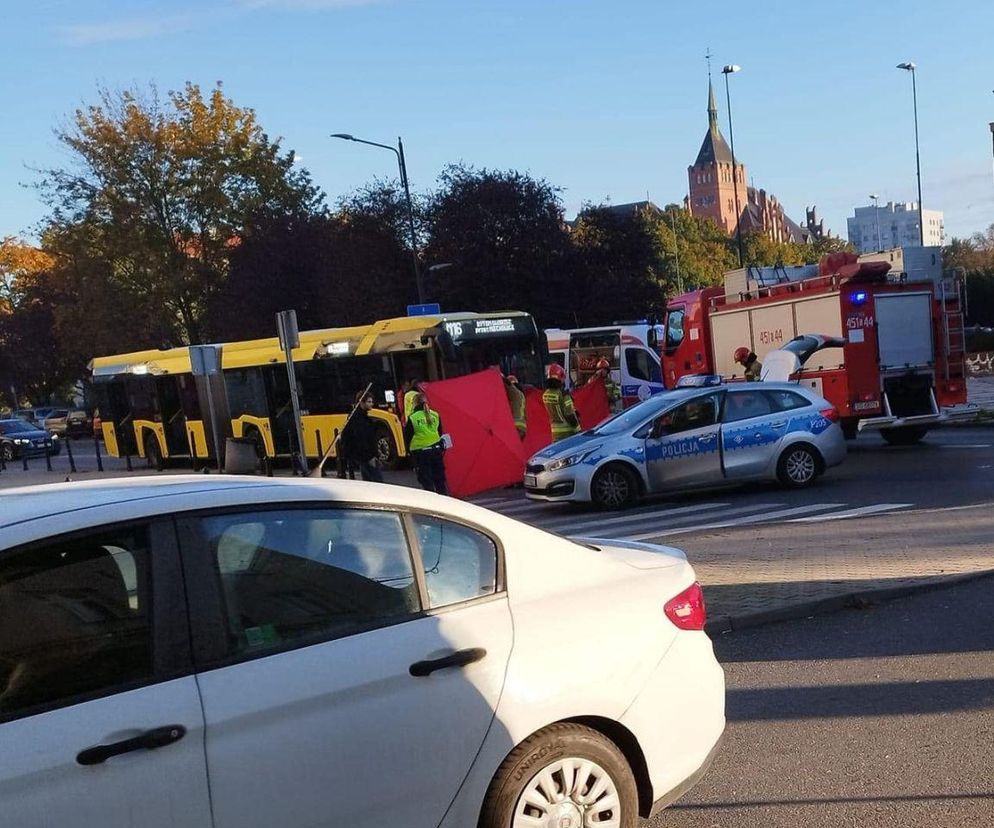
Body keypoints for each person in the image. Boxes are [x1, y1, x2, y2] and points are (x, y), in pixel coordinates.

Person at [407, 393, 448, 495]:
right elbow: (440, 432)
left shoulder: (413, 418)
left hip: (421, 453)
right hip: (436, 450)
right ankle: (445, 501)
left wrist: (409, 452)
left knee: (427, 481)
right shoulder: (435, 414)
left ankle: (433, 504)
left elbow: (408, 436)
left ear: (414, 403)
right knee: (439, 480)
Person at [340, 391, 384, 483]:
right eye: (369, 402)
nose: (371, 404)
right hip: (366, 456)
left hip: (363, 456)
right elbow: (362, 439)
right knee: (377, 481)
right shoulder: (359, 419)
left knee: (369, 481)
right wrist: (370, 456)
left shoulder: (359, 417)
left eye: (371, 401)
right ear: (361, 402)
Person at [543, 363, 581, 441]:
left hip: (555, 433)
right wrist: (578, 430)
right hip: (568, 434)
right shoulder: (563, 395)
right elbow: (569, 414)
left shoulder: (545, 394)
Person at [503, 374, 527, 440]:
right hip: (522, 427)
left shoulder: (515, 392)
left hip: (516, 427)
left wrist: (499, 375)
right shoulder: (521, 395)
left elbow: (508, 384)